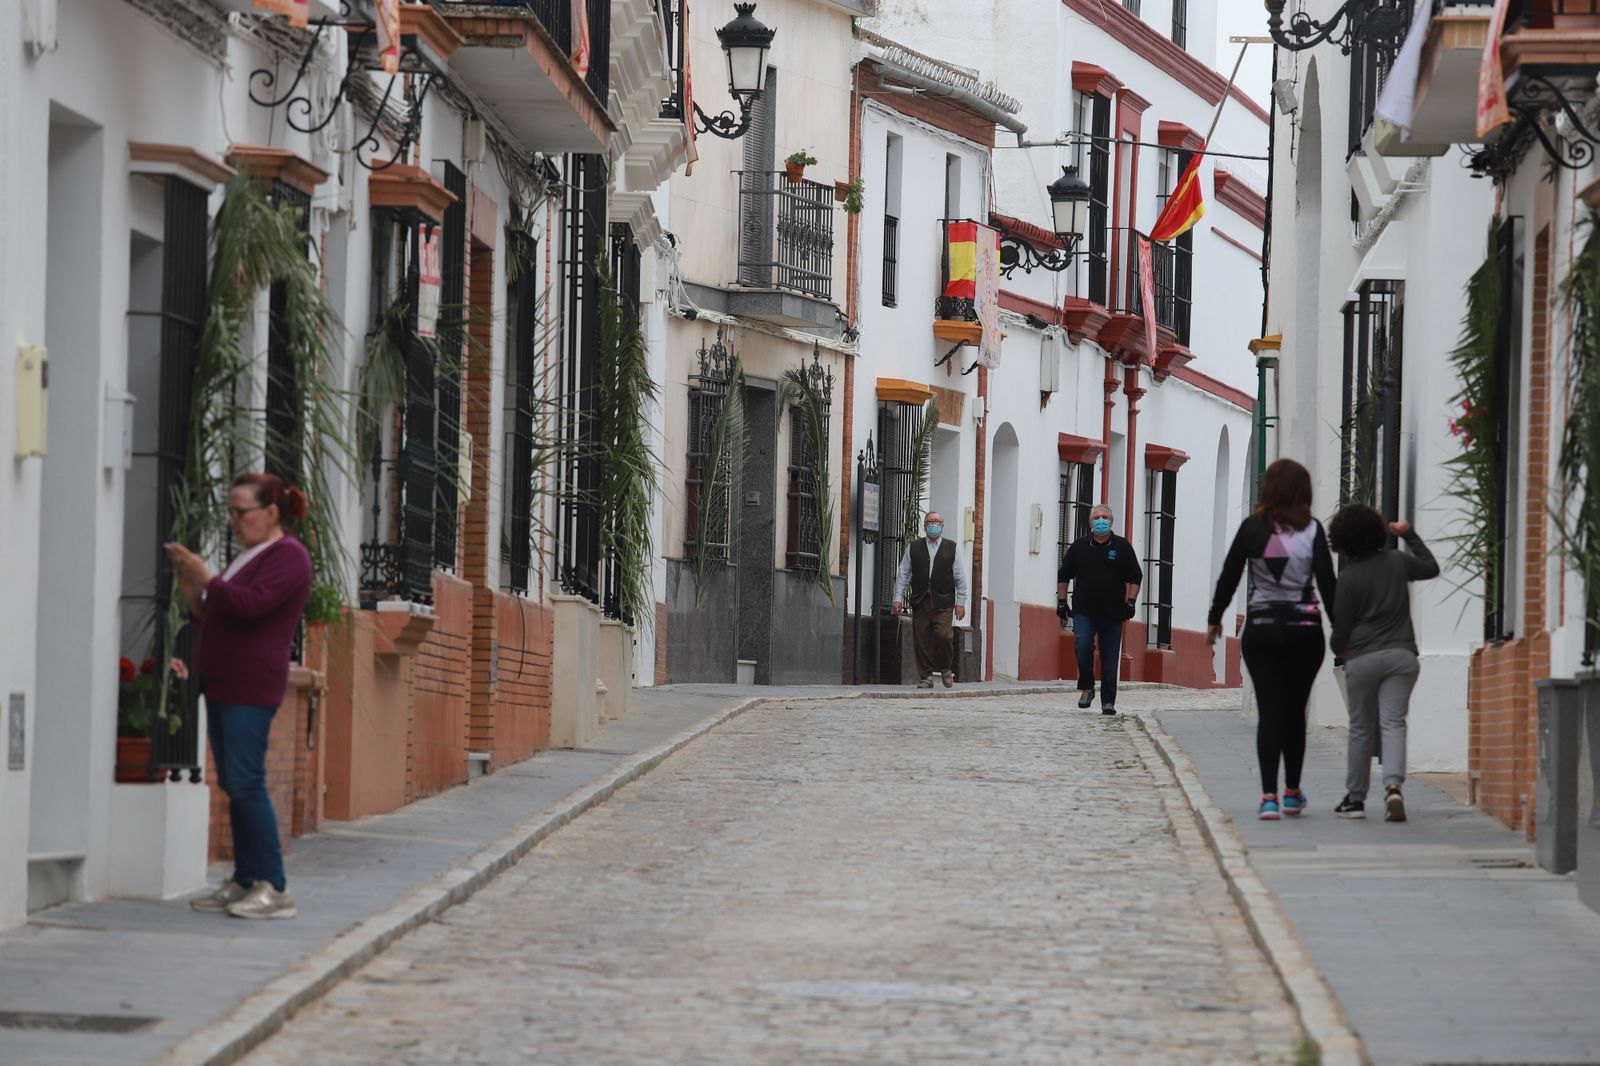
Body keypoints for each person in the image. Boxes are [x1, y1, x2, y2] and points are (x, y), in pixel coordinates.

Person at [165, 472, 313, 919]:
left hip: (250, 684)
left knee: (247, 781)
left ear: (271, 512)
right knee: (233, 782)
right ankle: (246, 879)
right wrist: (193, 589)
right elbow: (219, 611)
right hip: (225, 681)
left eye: (241, 511)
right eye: (231, 511)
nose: (233, 520)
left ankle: (274, 886)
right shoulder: (248, 555)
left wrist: (206, 576)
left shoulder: (289, 557)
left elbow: (249, 606)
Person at [1207, 459, 1337, 821]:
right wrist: (1342, 630)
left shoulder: (1252, 528)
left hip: (1262, 629)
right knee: (1295, 711)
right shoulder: (1312, 530)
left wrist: (1215, 618)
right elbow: (1327, 583)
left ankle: (1268, 798)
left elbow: (1230, 575)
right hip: (1305, 630)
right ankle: (1292, 792)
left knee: (1270, 712)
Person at [1325, 505, 1439, 823]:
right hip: (1402, 657)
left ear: (1342, 540)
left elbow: (1340, 630)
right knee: (1393, 723)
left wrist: (1341, 650)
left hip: (1363, 659)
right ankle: (1393, 788)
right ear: (1378, 531)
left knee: (1361, 729)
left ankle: (1355, 799)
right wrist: (1409, 534)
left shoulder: (1348, 578)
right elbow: (1431, 568)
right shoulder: (1397, 561)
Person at [1057, 504, 1143, 716]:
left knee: (1110, 657)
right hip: (1083, 610)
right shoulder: (1079, 546)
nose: (1101, 520)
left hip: (1113, 612)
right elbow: (1064, 575)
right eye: (1096, 517)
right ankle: (1087, 687)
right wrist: (1061, 601)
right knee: (1083, 645)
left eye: (1105, 517)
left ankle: (1108, 701)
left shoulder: (1122, 547)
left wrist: (1131, 602)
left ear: (1111, 521)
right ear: (1090, 522)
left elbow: (1135, 576)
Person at [892, 511, 968, 689]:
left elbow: (959, 577)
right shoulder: (914, 547)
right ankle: (926, 676)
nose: (933, 524)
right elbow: (903, 574)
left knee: (944, 636)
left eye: (936, 521)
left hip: (943, 601)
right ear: (925, 525)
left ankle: (945, 668)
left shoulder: (951, 547)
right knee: (921, 639)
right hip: (921, 600)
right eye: (930, 522)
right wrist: (897, 598)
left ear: (942, 525)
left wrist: (961, 602)